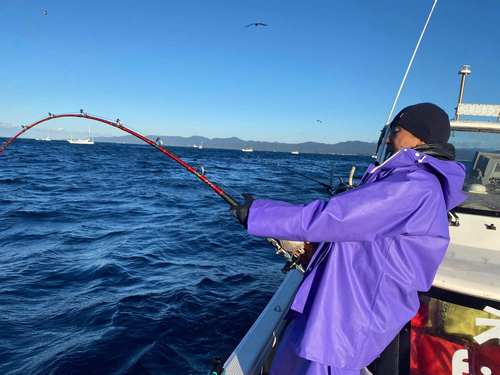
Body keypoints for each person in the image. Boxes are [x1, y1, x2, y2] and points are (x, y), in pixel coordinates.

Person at [230, 103, 467, 375]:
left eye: (396, 131)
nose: (389, 139)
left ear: (421, 139)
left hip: (347, 322)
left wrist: (257, 215)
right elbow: (364, 241)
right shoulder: (406, 180)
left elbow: (333, 218)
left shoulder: (414, 187)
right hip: (336, 306)